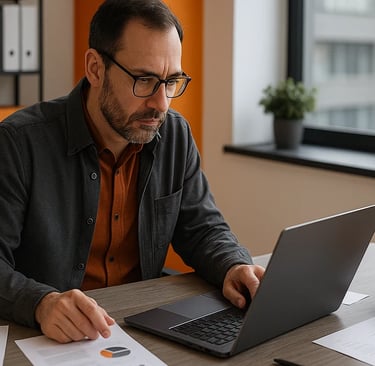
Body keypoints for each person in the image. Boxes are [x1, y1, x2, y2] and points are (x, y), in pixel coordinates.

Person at [0, 0, 265, 343]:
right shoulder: (19, 143)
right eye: (144, 80)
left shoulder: (173, 135)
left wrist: (234, 265)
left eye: (171, 81)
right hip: (47, 340)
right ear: (95, 69)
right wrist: (41, 303)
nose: (161, 104)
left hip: (141, 330)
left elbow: (202, 228)